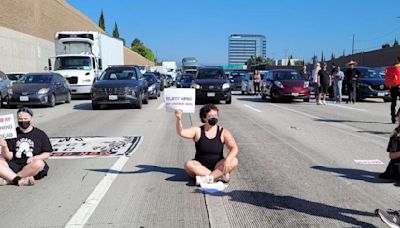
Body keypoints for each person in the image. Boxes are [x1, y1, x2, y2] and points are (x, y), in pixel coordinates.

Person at [175, 104, 239, 185]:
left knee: (234, 160)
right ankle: (217, 176)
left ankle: (206, 178)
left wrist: (228, 160)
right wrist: (178, 119)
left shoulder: (223, 132)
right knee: (188, 164)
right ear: (204, 118)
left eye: (215, 115)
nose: (214, 118)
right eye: (210, 116)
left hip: (218, 165)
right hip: (200, 166)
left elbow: (234, 148)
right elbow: (181, 132)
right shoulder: (197, 130)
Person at [0, 107, 52, 186]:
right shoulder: (12, 134)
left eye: (25, 118)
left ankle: (9, 179)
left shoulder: (40, 134)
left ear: (31, 118)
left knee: (39, 164)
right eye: (20, 119)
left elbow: (47, 154)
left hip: (31, 165)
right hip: (14, 163)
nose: (23, 121)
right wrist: (4, 146)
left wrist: (34, 158)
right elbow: (8, 157)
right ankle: (18, 180)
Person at [390, 56, 400, 124]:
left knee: (393, 103)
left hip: (393, 87)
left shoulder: (393, 67)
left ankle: (393, 118)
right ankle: (397, 115)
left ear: (397, 60)